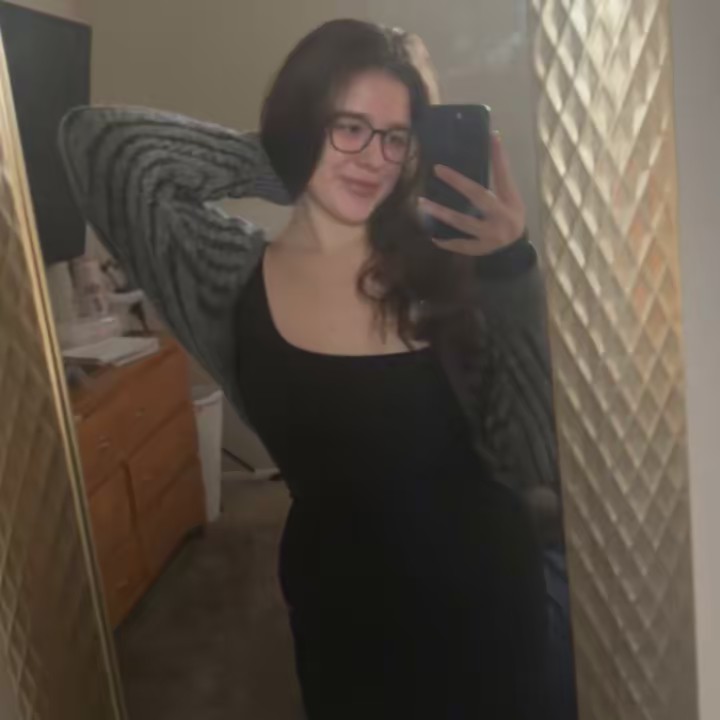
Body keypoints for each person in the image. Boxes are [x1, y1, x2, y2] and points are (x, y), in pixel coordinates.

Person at [60, 18, 571, 719]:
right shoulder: (228, 278)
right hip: (345, 624)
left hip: (490, 612)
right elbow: (101, 144)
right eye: (348, 126)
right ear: (303, 121)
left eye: (396, 137)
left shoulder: (453, 266)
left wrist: (511, 270)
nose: (373, 159)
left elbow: (532, 457)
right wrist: (292, 155)